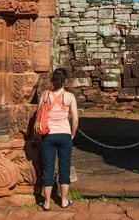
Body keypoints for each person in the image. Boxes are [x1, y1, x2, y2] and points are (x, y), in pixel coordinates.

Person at [38, 68, 79, 211]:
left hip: (48, 135)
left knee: (48, 168)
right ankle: (63, 201)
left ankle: (47, 202)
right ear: (65, 80)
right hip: (64, 135)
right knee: (64, 168)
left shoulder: (45, 95)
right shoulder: (69, 97)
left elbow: (38, 115)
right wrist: (72, 133)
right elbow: (75, 119)